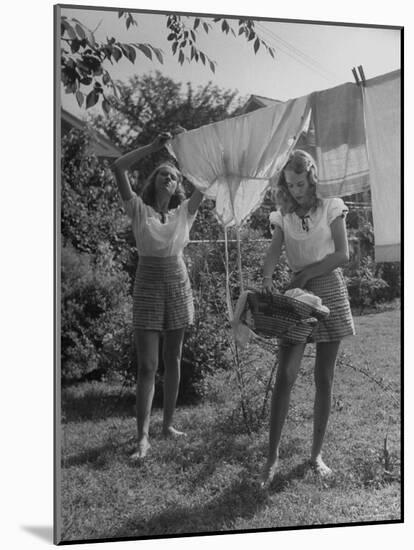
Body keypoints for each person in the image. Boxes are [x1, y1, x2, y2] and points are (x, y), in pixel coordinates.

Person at [260, 149, 355, 486]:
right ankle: (271, 459)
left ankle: (316, 455)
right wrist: (269, 278)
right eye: (290, 184)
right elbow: (273, 254)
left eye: (301, 183)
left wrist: (306, 274)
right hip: (297, 296)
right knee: (285, 375)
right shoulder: (283, 215)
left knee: (324, 379)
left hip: (328, 287)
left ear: (312, 177)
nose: (296, 190)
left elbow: (343, 254)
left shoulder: (331, 205)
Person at [112, 131, 204, 460]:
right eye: (163, 173)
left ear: (178, 185)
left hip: (177, 281)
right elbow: (119, 167)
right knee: (148, 365)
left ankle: (168, 425)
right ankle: (142, 438)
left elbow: (206, 182)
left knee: (173, 359)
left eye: (174, 175)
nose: (168, 177)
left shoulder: (184, 213)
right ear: (155, 180)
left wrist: (185, 150)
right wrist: (153, 147)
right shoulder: (138, 209)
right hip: (148, 283)